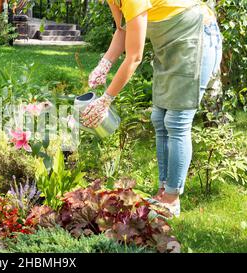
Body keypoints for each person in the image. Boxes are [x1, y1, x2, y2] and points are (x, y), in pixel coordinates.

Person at [81, 0, 223, 216]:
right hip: (170, 45)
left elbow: (135, 57)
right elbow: (123, 29)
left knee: (177, 120)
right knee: (159, 118)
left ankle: (172, 199)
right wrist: (105, 63)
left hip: (196, 38)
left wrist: (106, 99)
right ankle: (162, 192)